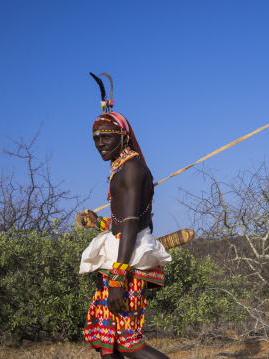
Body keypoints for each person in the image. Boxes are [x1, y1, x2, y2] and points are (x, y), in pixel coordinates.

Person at [78, 75, 172, 358]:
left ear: (124, 136)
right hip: (118, 261)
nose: (100, 143)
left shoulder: (130, 169)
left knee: (130, 343)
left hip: (123, 267)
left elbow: (131, 225)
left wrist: (118, 278)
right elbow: (122, 223)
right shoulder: (122, 168)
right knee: (110, 346)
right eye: (96, 138)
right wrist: (98, 222)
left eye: (106, 136)